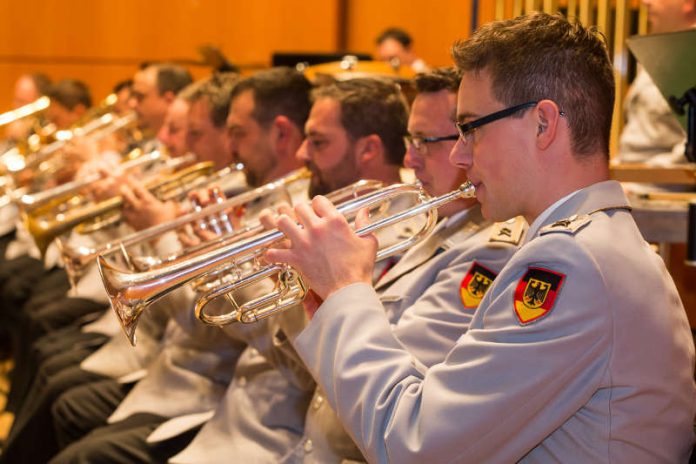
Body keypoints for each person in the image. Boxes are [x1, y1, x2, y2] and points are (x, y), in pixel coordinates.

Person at [266, 12, 696, 463]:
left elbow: (414, 446)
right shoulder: (586, 246)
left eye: (471, 128)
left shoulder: (570, 265)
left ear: (543, 124)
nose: (458, 153)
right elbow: (438, 409)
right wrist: (335, 305)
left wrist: (345, 290)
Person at [49, 68, 313, 464]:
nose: (176, 145)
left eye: (235, 132)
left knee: (77, 432)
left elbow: (212, 330)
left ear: (280, 132)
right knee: (55, 369)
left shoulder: (285, 213)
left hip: (220, 399)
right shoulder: (238, 195)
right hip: (191, 380)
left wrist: (165, 237)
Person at [277, 67, 525, 464]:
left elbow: (382, 385)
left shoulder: (491, 253)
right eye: (411, 140)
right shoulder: (431, 227)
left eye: (426, 142)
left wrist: (335, 287)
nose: (410, 158)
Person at [168, 76, 413, 464]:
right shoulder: (313, 210)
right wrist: (224, 258)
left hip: (276, 440)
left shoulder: (397, 240)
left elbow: (309, 374)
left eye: (317, 142)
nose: (301, 154)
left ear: (368, 149)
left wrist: (264, 277)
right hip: (232, 421)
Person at [617, 0, 696, 165]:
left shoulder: (690, 52)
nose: (646, 2)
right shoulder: (657, 49)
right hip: (629, 179)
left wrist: (639, 177)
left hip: (656, 184)